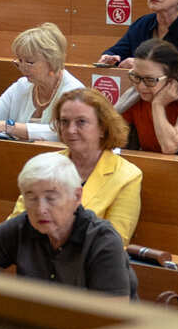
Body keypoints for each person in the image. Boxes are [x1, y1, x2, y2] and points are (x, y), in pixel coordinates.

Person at [0, 152, 134, 294]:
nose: (41, 209)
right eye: (31, 198)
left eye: (51, 198)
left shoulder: (103, 240)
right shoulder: (22, 227)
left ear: (77, 196)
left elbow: (113, 322)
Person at [23, 88, 143, 241]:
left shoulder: (127, 176)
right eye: (64, 122)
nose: (71, 130)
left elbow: (115, 241)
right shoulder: (44, 165)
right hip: (33, 251)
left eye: (81, 122)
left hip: (88, 255)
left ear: (102, 128)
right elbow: (17, 222)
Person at [0, 24, 81, 140]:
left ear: (52, 61)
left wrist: (10, 127)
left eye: (30, 62)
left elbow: (63, 131)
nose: (23, 68)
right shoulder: (21, 85)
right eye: (20, 61)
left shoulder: (73, 92)